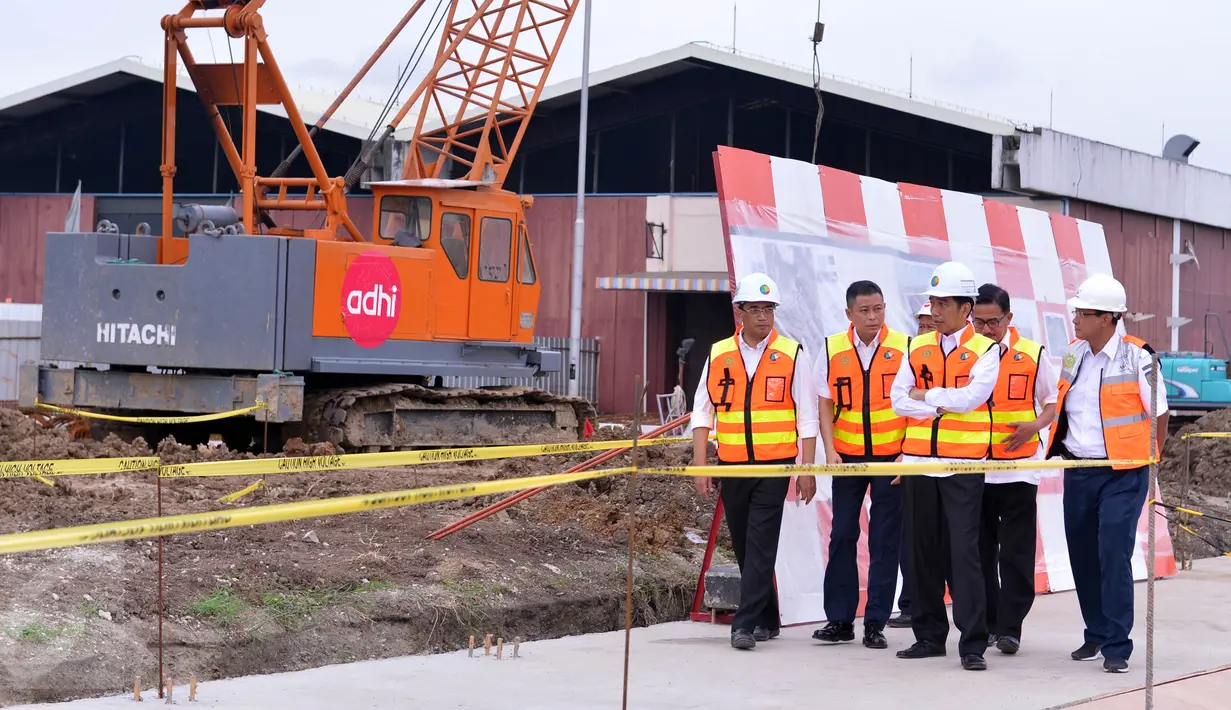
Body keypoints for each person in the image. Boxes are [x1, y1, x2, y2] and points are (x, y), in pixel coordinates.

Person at [1046, 273, 1169, 674]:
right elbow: (1061, 403)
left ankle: (1118, 644)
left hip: (1123, 472)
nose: (1076, 319)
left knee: (1112, 553)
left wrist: (1154, 457)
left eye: (1083, 313)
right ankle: (1095, 632)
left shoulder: (1139, 357)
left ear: (1108, 318)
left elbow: (1160, 414)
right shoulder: (1073, 354)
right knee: (1082, 556)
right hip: (1079, 470)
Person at [690, 272, 819, 651]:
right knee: (746, 546)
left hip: (774, 466)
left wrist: (806, 469)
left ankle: (743, 625)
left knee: (761, 542)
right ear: (740, 312)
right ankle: (768, 616)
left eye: (769, 309)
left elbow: (807, 417)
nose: (764, 316)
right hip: (732, 466)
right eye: (756, 309)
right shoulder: (718, 354)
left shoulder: (793, 354)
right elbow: (702, 411)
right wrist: (701, 463)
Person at [890, 261, 999, 671]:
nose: (934, 310)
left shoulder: (987, 350)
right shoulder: (916, 347)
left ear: (965, 308)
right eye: (932, 302)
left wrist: (927, 397)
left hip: (962, 465)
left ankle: (972, 644)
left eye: (943, 303)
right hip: (919, 463)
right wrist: (938, 401)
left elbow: (972, 398)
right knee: (921, 555)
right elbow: (898, 399)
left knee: (964, 556)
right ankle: (929, 636)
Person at [811, 281, 909, 649]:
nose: (872, 317)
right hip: (847, 458)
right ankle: (839, 619)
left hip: (892, 458)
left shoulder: (905, 347)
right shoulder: (832, 348)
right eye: (864, 311)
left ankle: (875, 622)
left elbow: (916, 402)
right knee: (843, 536)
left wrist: (907, 453)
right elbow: (824, 402)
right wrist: (830, 449)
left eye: (878, 309)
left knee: (885, 541)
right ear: (849, 313)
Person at [973, 284, 1057, 656]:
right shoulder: (964, 353)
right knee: (979, 551)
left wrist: (1035, 428)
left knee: (1016, 553)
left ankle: (1011, 627)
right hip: (973, 466)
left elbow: (1052, 404)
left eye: (993, 321)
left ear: (1009, 318)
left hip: (1020, 468)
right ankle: (989, 623)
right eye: (979, 322)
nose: (987, 329)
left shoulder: (1032, 354)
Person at [888, 299, 938, 629]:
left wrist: (930, 399)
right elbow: (902, 407)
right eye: (920, 324)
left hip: (952, 461)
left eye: (930, 325)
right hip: (915, 459)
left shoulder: (957, 362)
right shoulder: (914, 360)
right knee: (912, 538)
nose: (923, 331)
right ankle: (910, 604)